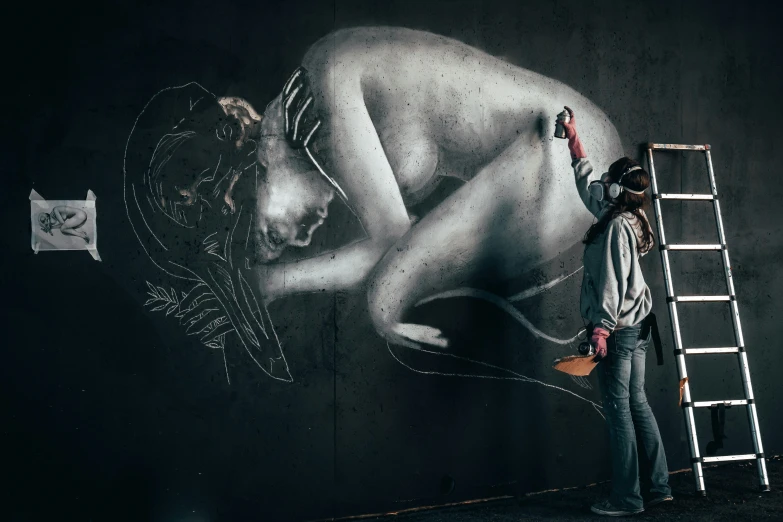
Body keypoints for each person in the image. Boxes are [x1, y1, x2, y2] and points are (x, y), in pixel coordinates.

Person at [559, 106, 672, 516]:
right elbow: (586, 181)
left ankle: (627, 498)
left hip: (620, 330)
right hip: (637, 326)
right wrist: (572, 138)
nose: (601, 180)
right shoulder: (627, 215)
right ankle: (659, 486)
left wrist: (600, 331)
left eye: (608, 177)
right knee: (637, 403)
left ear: (615, 189)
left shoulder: (614, 229)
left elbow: (611, 284)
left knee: (620, 412)